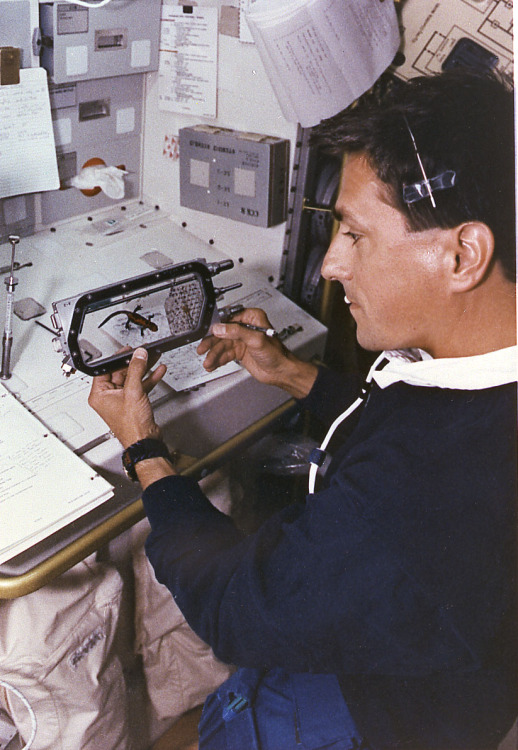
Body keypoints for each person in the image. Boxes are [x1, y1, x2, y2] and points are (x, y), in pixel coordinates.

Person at [89, 69, 517, 750]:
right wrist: (293, 374)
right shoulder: (481, 380)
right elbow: (417, 423)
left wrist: (144, 446)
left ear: (463, 254)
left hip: (373, 714)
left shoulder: (416, 498)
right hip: (450, 679)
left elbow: (235, 607)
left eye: (355, 235)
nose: (330, 267)